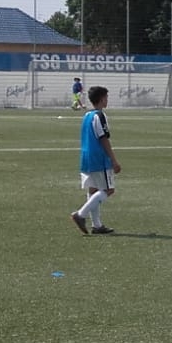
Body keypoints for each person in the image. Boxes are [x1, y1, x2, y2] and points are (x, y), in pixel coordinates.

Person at [70, 86, 121, 235]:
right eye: (106, 97)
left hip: (86, 157)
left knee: (92, 190)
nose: (107, 100)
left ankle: (97, 225)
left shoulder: (87, 115)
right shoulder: (100, 115)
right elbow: (103, 138)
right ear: (102, 99)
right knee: (108, 190)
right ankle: (80, 214)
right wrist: (114, 160)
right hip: (99, 158)